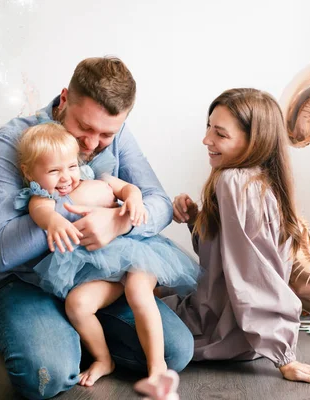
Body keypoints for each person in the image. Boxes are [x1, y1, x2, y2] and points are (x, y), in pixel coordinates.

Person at [0, 56, 194, 400]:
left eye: (106, 134)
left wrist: (116, 223)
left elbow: (159, 202)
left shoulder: (115, 133)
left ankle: (73, 334)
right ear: (64, 100)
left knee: (176, 353)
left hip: (95, 276)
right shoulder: (14, 140)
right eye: (84, 128)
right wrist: (80, 203)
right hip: (28, 282)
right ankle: (46, 334)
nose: (92, 144)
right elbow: (1, 252)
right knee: (45, 377)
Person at [165, 88, 310, 385]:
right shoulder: (261, 182)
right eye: (208, 128)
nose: (206, 140)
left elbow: (255, 274)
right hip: (243, 337)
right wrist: (197, 221)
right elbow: (224, 262)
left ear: (254, 142)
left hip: (218, 332)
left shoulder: (233, 183)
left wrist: (285, 357)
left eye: (220, 134)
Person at [14, 122, 199, 386]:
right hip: (100, 271)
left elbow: (128, 189)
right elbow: (41, 212)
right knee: (77, 305)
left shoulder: (94, 176)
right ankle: (104, 359)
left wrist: (134, 199)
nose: (66, 177)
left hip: (136, 252)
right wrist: (53, 222)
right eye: (54, 171)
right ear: (29, 172)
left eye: (71, 166)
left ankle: (157, 366)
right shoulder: (42, 197)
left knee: (138, 291)